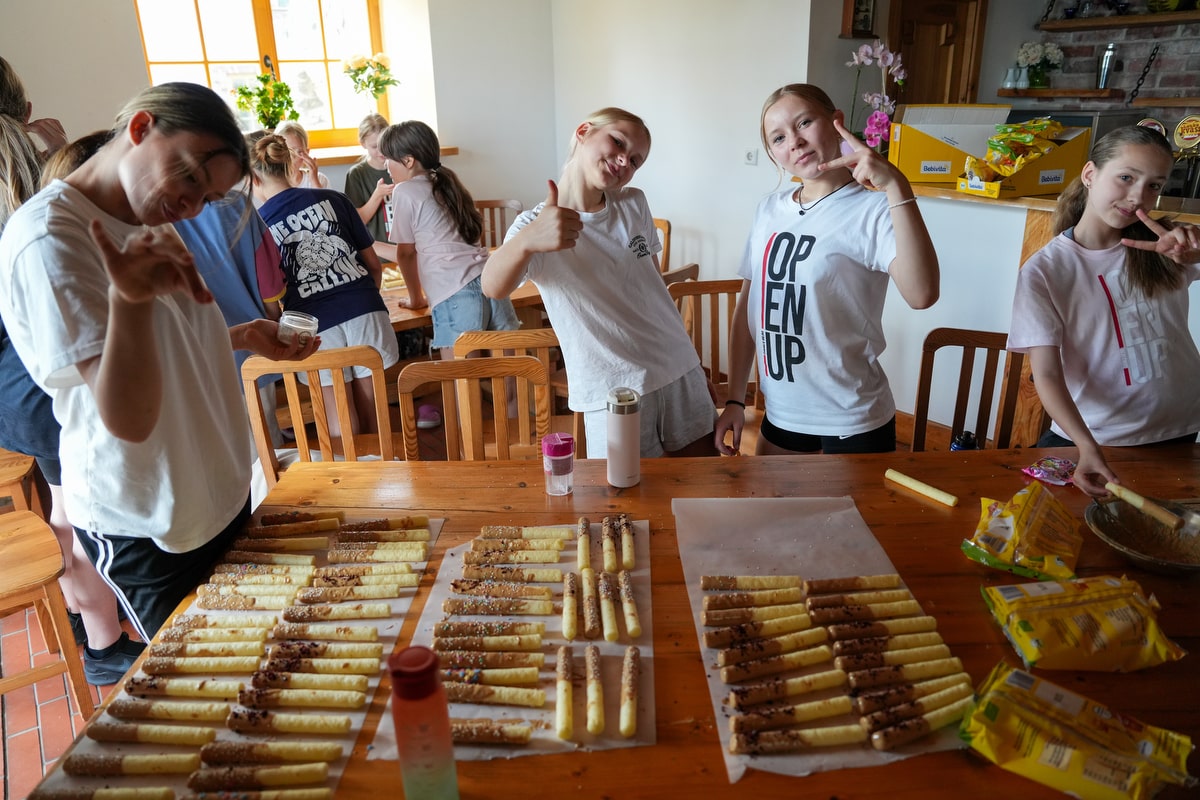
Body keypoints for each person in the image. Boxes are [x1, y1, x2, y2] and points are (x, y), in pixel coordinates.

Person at [0, 82, 319, 641]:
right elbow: (125, 416)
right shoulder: (51, 237)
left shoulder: (146, 211)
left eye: (207, 199)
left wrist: (244, 335)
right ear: (141, 128)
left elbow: (169, 347)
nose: (191, 206)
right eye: (191, 179)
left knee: (261, 653)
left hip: (213, 492)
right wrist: (130, 301)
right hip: (149, 519)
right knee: (206, 674)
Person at [0, 60, 137, 684]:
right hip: (36, 372)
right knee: (81, 508)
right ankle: (105, 643)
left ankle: (87, 618)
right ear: (23, 105)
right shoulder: (31, 172)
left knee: (61, 502)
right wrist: (57, 153)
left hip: (9, 383)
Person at [714, 83, 939, 456]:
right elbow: (748, 311)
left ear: (836, 122)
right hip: (782, 415)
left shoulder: (873, 209)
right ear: (772, 153)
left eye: (804, 123)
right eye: (779, 138)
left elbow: (922, 294)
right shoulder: (768, 210)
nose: (795, 142)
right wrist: (736, 399)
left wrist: (897, 186)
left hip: (853, 418)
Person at [482, 107, 717, 458]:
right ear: (583, 132)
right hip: (611, 387)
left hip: (678, 367)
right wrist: (528, 240)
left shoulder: (633, 203)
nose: (624, 161)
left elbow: (653, 290)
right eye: (618, 142)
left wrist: (695, 368)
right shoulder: (536, 225)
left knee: (704, 480)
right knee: (626, 488)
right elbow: (492, 287)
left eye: (635, 160)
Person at [1007, 125, 1200, 497]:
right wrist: (1086, 446)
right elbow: (1046, 374)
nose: (1137, 196)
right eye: (1126, 177)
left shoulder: (1168, 244)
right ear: (1090, 175)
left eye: (1154, 185)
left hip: (1180, 430)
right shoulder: (1045, 272)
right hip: (1097, 441)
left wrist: (1196, 251)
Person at [250, 132, 398, 437]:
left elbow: (271, 295)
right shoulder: (333, 199)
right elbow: (372, 264)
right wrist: (361, 299)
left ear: (252, 179)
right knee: (374, 409)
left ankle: (350, 470)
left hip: (312, 324)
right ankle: (383, 465)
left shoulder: (260, 225)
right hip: (365, 308)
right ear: (289, 165)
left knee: (339, 415)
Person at [379, 120, 520, 352]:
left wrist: (416, 299)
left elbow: (406, 254)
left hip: (455, 293)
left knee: (460, 374)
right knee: (509, 368)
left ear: (408, 161)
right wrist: (369, 244)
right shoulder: (447, 184)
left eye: (388, 158)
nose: (385, 165)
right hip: (489, 281)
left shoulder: (405, 191)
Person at [344, 113, 396, 264]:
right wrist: (378, 195)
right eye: (374, 147)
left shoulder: (400, 166)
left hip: (406, 252)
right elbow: (357, 221)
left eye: (384, 144)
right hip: (375, 255)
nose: (381, 152)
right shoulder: (357, 174)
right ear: (363, 144)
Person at [274, 119, 330, 189]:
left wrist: (314, 181)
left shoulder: (320, 179)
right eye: (287, 152)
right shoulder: (272, 184)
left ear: (307, 152)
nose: (292, 157)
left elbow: (323, 196)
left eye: (299, 151)